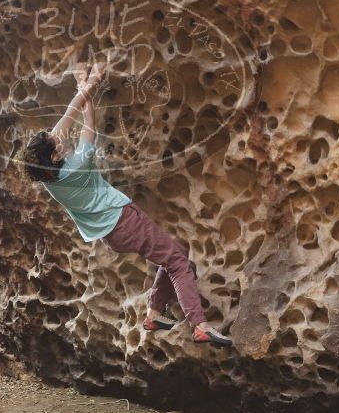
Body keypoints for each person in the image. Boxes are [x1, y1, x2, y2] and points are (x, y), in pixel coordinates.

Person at [21, 63, 232, 347]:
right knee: (179, 263)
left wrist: (86, 85)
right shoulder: (78, 166)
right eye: (55, 140)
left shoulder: (49, 177)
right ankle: (200, 325)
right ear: (56, 154)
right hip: (124, 220)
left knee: (176, 252)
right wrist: (91, 84)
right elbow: (85, 123)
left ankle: (154, 315)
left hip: (113, 233)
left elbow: (70, 116)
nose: (57, 134)